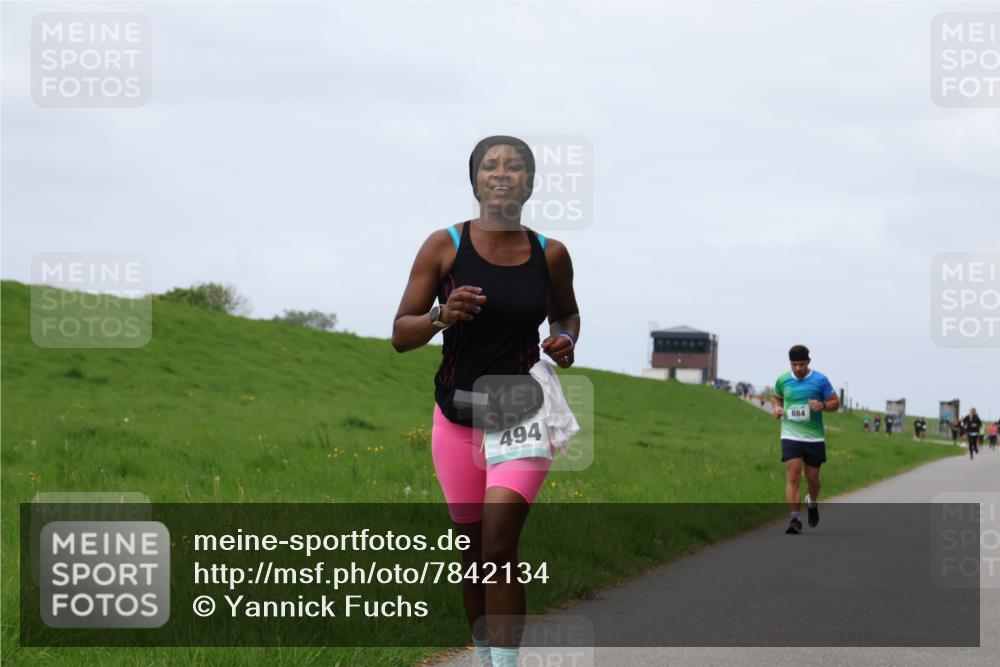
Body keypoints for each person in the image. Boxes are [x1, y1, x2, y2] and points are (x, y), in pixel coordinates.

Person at [391, 136, 580, 667]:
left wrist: (566, 338)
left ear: (530, 183)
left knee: (499, 546)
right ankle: (484, 658)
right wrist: (440, 316)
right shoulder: (444, 246)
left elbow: (567, 312)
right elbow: (401, 334)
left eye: (514, 166)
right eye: (490, 166)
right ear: (474, 180)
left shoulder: (550, 254)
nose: (502, 173)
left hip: (520, 410)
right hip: (456, 416)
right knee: (473, 554)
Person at [772, 345, 839, 534]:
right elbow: (776, 397)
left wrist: (823, 405)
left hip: (814, 437)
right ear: (790, 364)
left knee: (813, 479)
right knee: (793, 475)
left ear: (808, 362)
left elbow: (835, 403)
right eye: (794, 365)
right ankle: (794, 518)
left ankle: (812, 501)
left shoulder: (820, 380)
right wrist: (776, 408)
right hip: (790, 434)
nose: (798, 368)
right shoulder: (783, 380)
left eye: (802, 364)